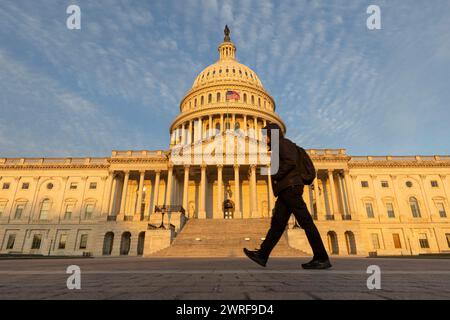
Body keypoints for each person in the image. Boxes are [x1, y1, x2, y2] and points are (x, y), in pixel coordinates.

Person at [243, 123, 332, 269]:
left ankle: (321, 257)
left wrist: (276, 174)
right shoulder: (282, 145)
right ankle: (262, 255)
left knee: (306, 222)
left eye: (266, 136)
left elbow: (290, 162)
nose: (265, 140)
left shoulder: (282, 144)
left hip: (290, 188)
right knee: (277, 225)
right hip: (286, 189)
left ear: (272, 134)